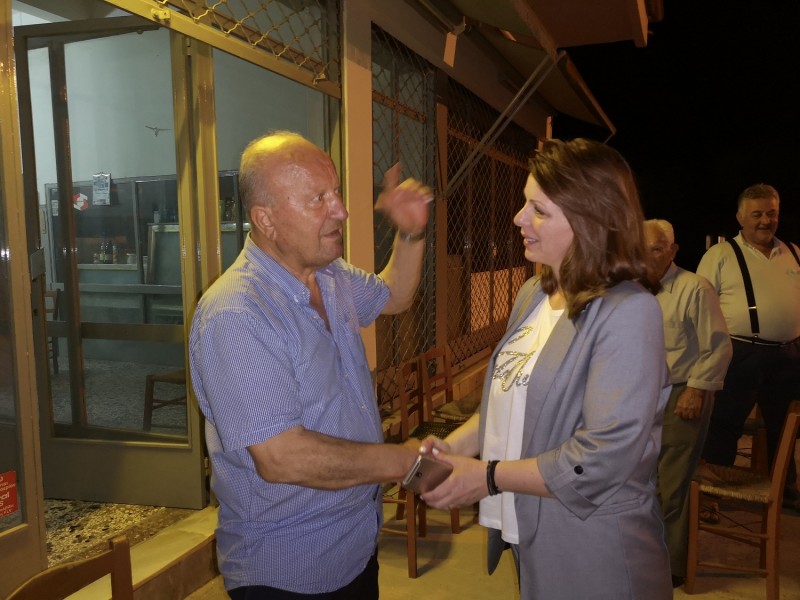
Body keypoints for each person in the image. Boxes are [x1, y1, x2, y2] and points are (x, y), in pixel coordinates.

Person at [419, 138, 673, 599]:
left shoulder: (629, 312)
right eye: (525, 204)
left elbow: (601, 456)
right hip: (531, 530)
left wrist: (486, 476)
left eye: (538, 210)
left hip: (593, 545)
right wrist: (453, 446)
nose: (519, 218)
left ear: (588, 220)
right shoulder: (534, 295)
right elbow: (510, 400)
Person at [189, 131, 432, 598]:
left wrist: (411, 232)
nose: (340, 211)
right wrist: (405, 462)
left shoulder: (330, 274)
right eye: (318, 198)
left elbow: (395, 295)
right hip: (288, 569)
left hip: (355, 544)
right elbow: (283, 457)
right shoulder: (237, 314)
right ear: (266, 219)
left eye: (335, 193)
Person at [697, 183, 800, 512]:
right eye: (757, 214)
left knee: (784, 427)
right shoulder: (720, 255)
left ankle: (783, 491)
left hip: (787, 355)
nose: (766, 221)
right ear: (741, 217)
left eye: (772, 213)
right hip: (739, 353)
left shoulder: (794, 252)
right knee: (725, 424)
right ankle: (711, 496)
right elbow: (700, 308)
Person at [644, 219, 732, 588]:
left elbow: (717, 346)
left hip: (682, 396)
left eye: (656, 249)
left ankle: (672, 566)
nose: (647, 257)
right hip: (641, 398)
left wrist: (696, 391)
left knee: (672, 484)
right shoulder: (631, 290)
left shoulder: (694, 288)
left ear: (673, 251)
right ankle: (645, 555)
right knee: (643, 482)